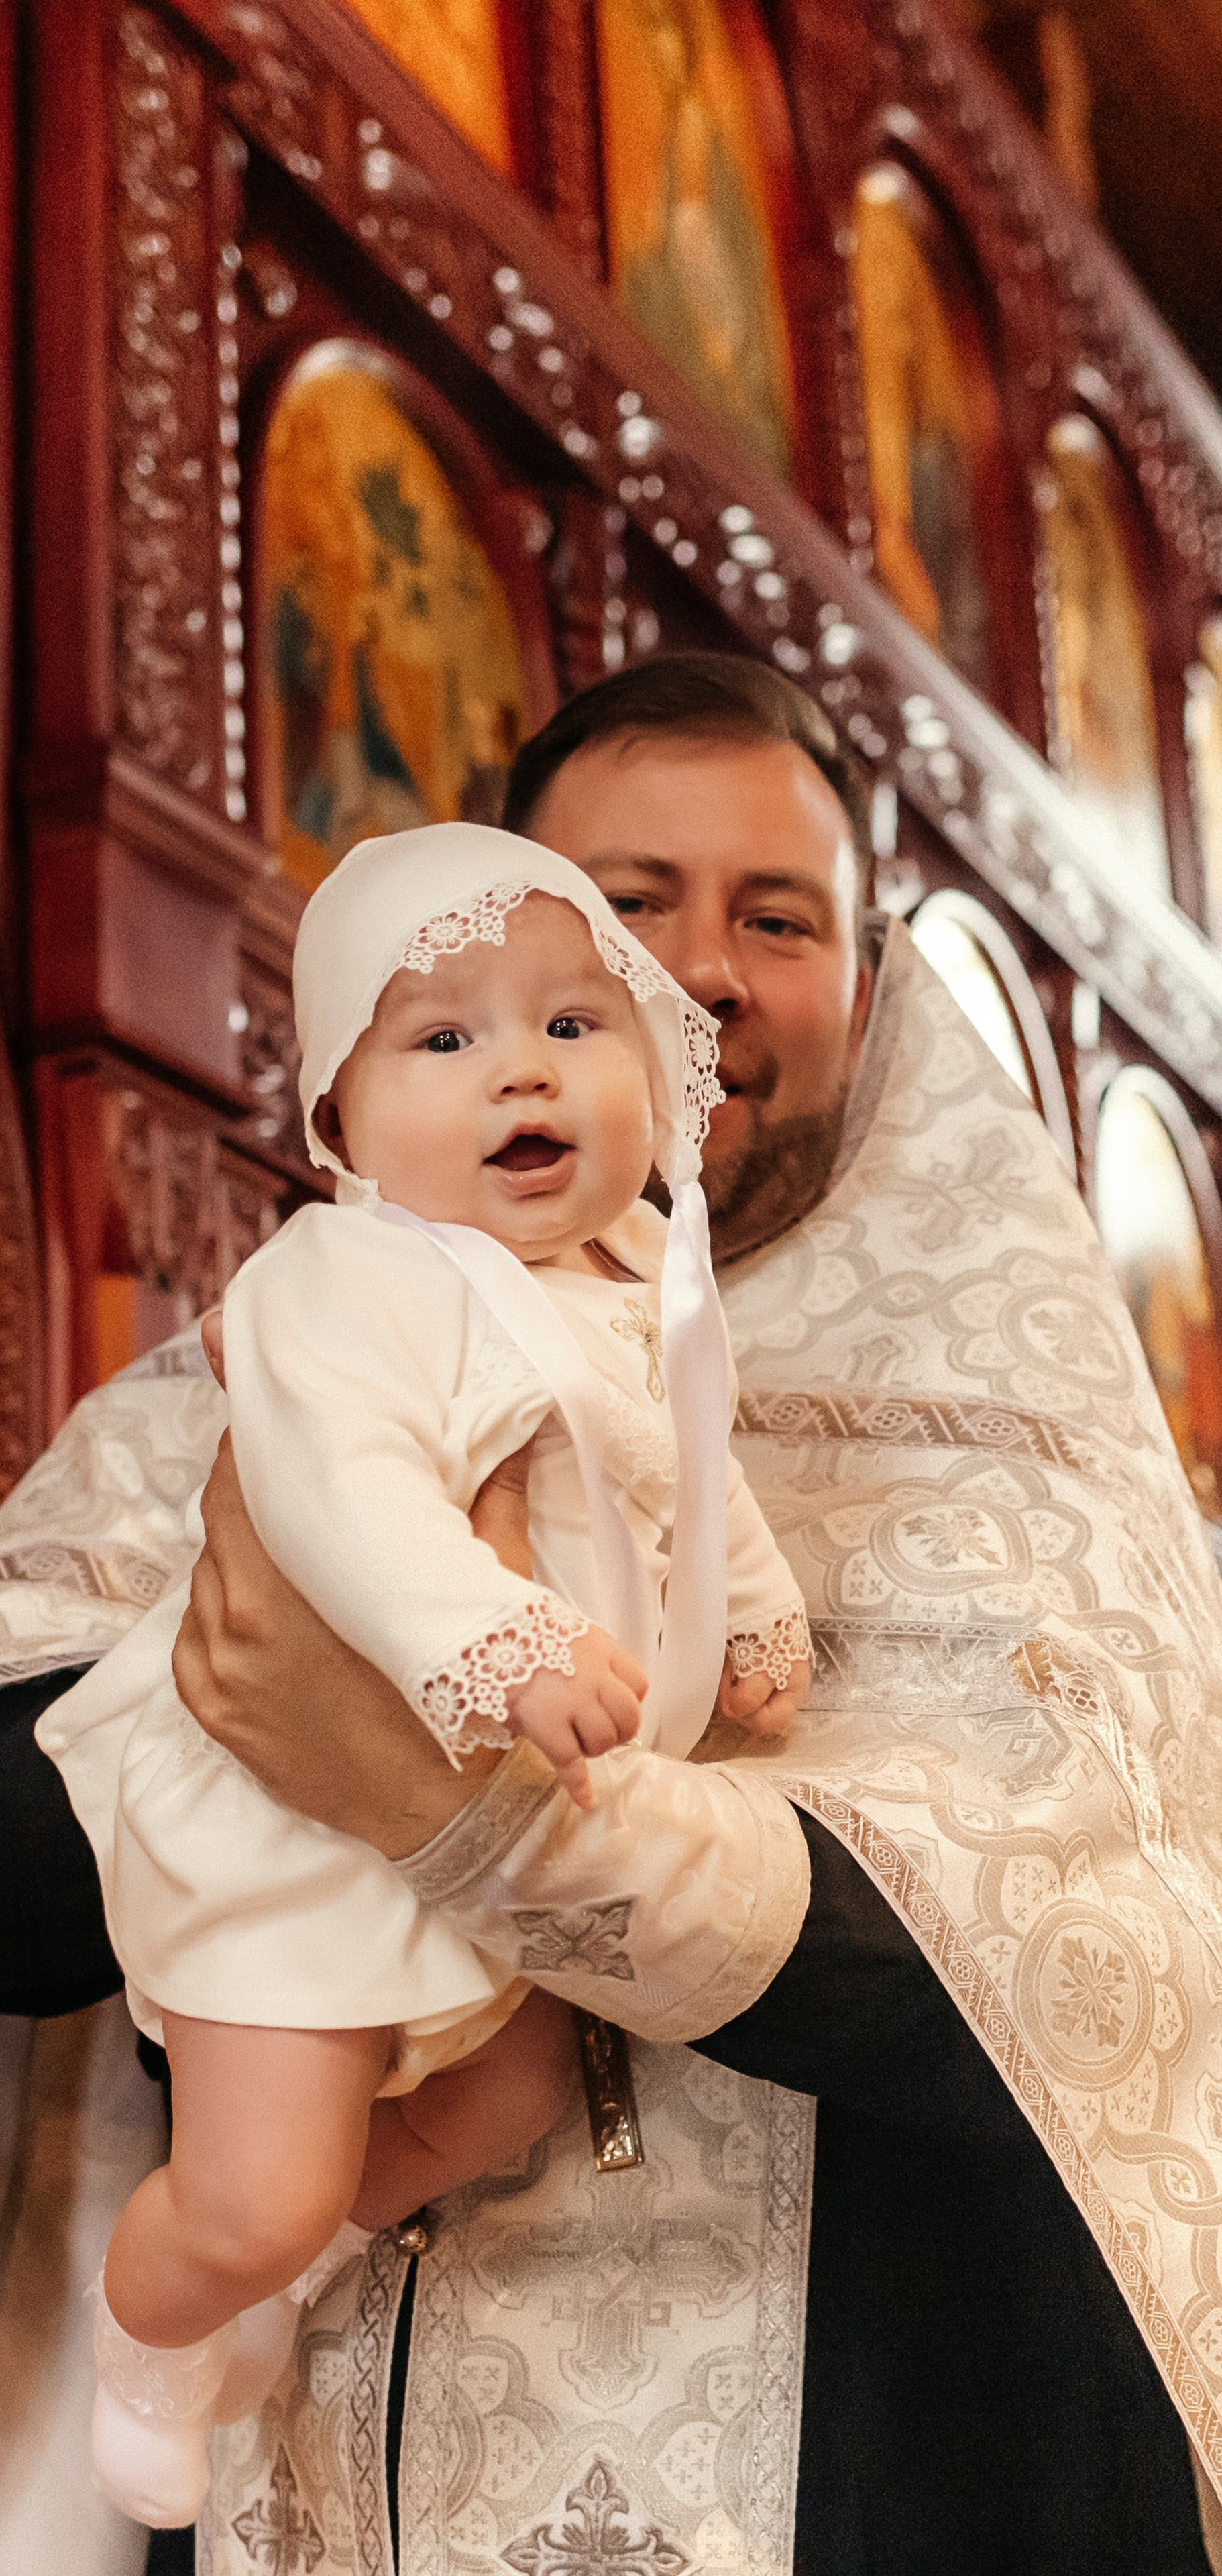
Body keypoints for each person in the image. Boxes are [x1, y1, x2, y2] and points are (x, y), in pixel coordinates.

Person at [0, 656, 1222, 2576]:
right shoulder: (268, 1356)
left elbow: (1100, 1996)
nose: (700, 969)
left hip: (883, 2467)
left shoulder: (1019, 1427)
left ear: (868, 987)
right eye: (631, 905)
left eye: (779, 919)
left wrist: (470, 1817)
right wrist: (251, 1708)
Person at [38, 823, 809, 2527]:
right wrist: (497, 1635)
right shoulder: (346, 1279)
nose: (519, 1073)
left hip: (502, 1831)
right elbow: (339, 1489)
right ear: (340, 1113)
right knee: (256, 2179)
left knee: (509, 2101)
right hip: (292, 1828)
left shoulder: (639, 1287)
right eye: (444, 1038)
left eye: (572, 1026)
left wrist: (753, 1626)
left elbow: (695, 1481)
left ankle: (290, 2261)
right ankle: (155, 2318)